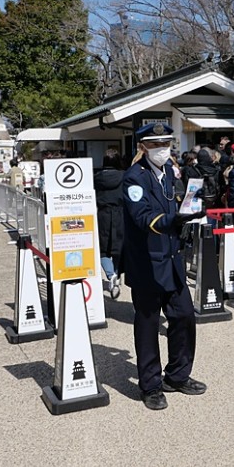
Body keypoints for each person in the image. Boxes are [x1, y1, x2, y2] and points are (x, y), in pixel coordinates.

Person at [122, 122, 206, 411]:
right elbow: (144, 217)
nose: (162, 150)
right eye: (156, 144)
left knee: (184, 316)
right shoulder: (134, 178)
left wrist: (191, 211)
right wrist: (174, 221)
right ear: (143, 146)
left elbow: (176, 204)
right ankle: (151, 385)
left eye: (166, 143)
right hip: (146, 262)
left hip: (172, 258)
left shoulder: (170, 172)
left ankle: (178, 375)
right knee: (147, 324)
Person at [96, 149, 124, 299]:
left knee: (103, 249)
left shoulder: (96, 178)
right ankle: (117, 274)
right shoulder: (124, 176)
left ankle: (110, 274)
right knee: (119, 247)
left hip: (103, 214)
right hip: (120, 214)